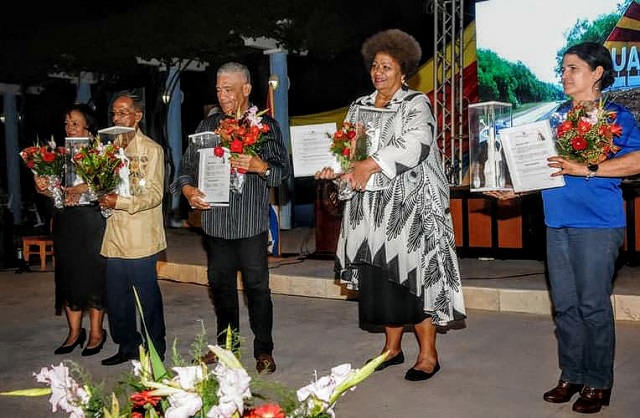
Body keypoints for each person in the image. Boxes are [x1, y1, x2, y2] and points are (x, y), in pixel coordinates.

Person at [487, 42, 640, 414]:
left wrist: (587, 168)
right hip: (556, 222)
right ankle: (571, 375)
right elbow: (540, 167)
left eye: (573, 68)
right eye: (563, 68)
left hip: (598, 224)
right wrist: (513, 189)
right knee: (566, 307)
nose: (564, 75)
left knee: (592, 305)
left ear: (597, 73)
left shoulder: (617, 116)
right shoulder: (555, 116)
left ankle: (599, 382)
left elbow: (636, 160)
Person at [315, 29, 466, 381]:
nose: (378, 72)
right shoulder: (359, 106)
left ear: (403, 72)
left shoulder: (416, 104)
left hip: (409, 210)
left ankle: (428, 354)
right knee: (382, 279)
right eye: (375, 66)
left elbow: (416, 144)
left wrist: (370, 164)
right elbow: (346, 150)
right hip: (369, 212)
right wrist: (335, 168)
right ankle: (392, 348)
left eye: (387, 66)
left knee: (415, 280)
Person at [171, 62, 290, 374]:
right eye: (219, 89)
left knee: (257, 289)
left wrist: (259, 166)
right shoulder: (207, 126)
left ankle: (264, 350)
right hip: (216, 224)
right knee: (220, 287)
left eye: (229, 89)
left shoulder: (266, 128)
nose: (223, 95)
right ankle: (226, 348)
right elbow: (185, 168)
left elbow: (281, 174)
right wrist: (188, 191)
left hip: (250, 224)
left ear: (247, 89)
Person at [98, 93, 168, 366]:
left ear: (137, 116)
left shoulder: (152, 150)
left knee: (146, 299)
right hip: (114, 236)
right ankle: (127, 345)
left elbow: (154, 195)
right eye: (114, 113)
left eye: (123, 112)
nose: (117, 118)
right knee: (116, 300)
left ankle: (155, 350)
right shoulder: (107, 150)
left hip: (141, 238)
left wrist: (121, 201)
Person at [34, 103, 108, 356]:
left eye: (74, 123)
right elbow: (55, 195)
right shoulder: (59, 156)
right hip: (66, 223)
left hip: (93, 222)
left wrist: (83, 188)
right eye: (66, 123)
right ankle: (75, 333)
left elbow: (110, 188)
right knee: (68, 276)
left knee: (95, 278)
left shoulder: (102, 153)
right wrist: (42, 186)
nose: (69, 127)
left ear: (88, 128)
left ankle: (97, 332)